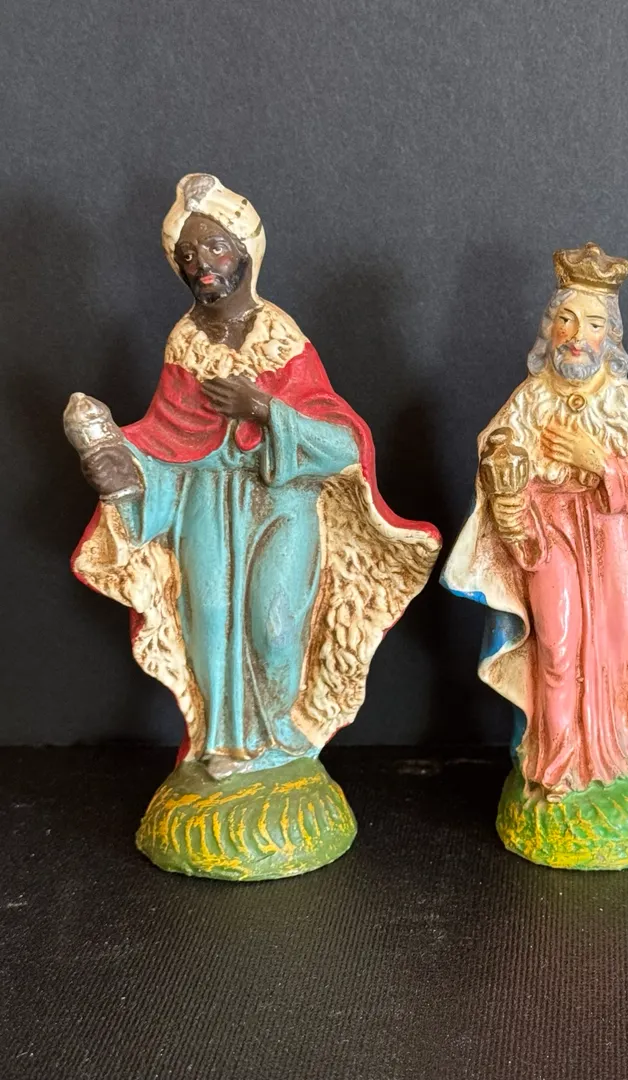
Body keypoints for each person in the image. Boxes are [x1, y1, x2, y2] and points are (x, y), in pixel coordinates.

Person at [68, 175, 440, 877]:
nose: (202, 264)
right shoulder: (184, 346)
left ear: (246, 251)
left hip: (282, 501)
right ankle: (222, 745)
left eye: (215, 247)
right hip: (205, 502)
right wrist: (121, 470)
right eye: (187, 255)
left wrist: (265, 410)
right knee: (206, 617)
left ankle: (279, 745)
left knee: (274, 625)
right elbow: (167, 444)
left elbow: (342, 444)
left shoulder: (283, 341)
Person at [442, 243, 628, 868]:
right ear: (549, 328)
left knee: (619, 647)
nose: (576, 336)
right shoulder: (530, 396)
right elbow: (496, 456)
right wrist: (506, 481)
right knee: (558, 643)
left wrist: (600, 463)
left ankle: (613, 753)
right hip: (549, 534)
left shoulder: (623, 401)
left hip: (615, 537)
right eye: (566, 320)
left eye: (593, 324)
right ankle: (556, 762)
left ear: (610, 338)